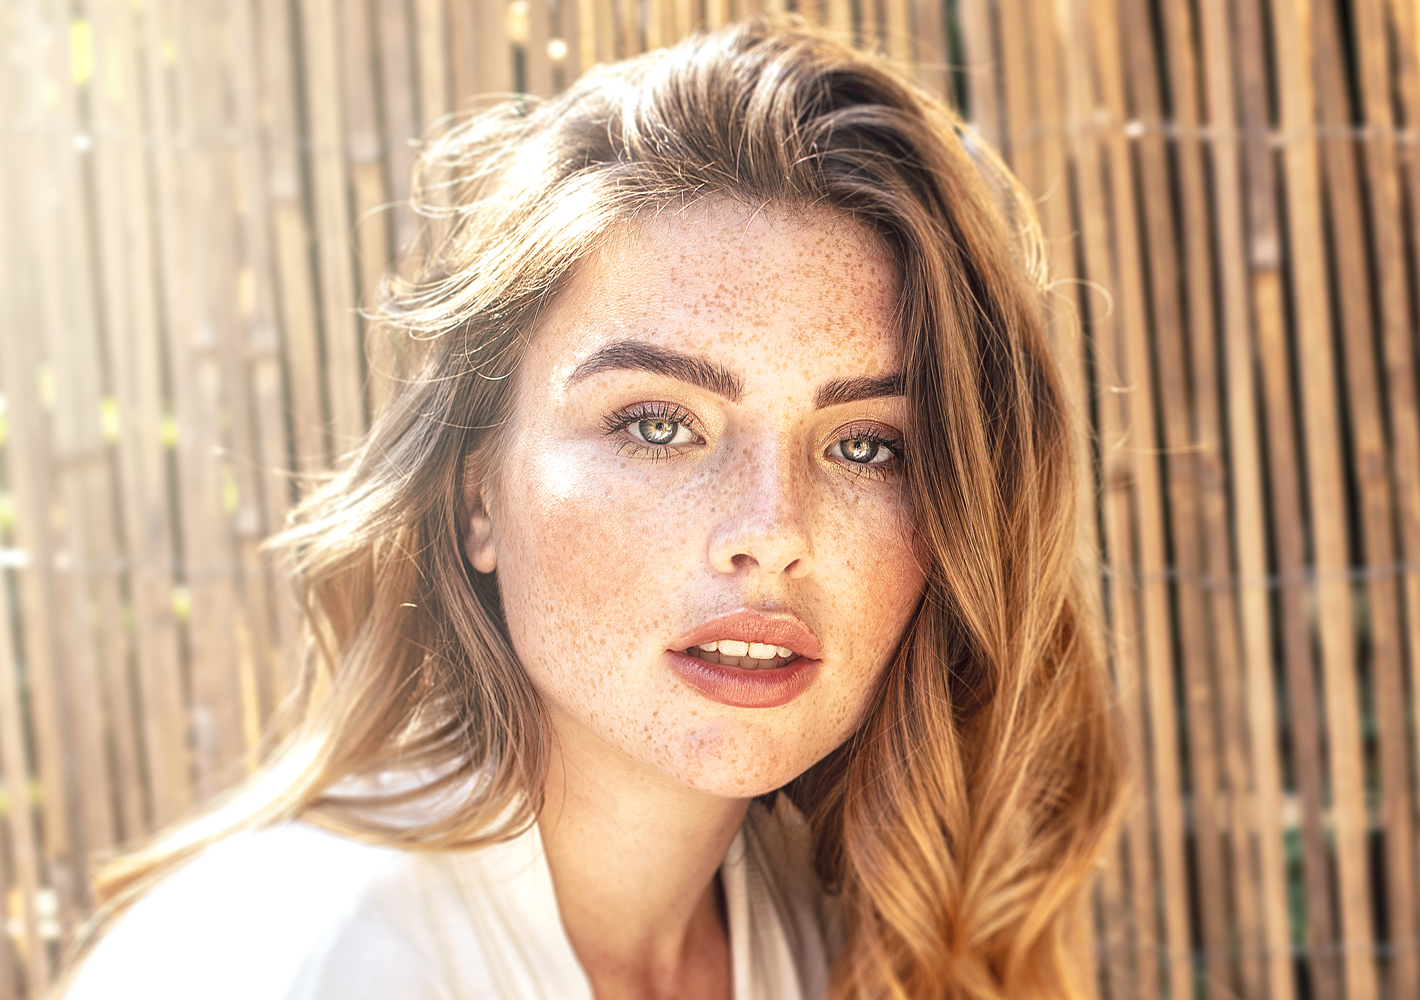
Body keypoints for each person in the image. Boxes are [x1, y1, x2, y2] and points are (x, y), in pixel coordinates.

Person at [61, 16, 1122, 1000]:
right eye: (658, 423)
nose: (771, 530)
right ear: (476, 486)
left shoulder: (850, 934)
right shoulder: (303, 954)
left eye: (864, 444)